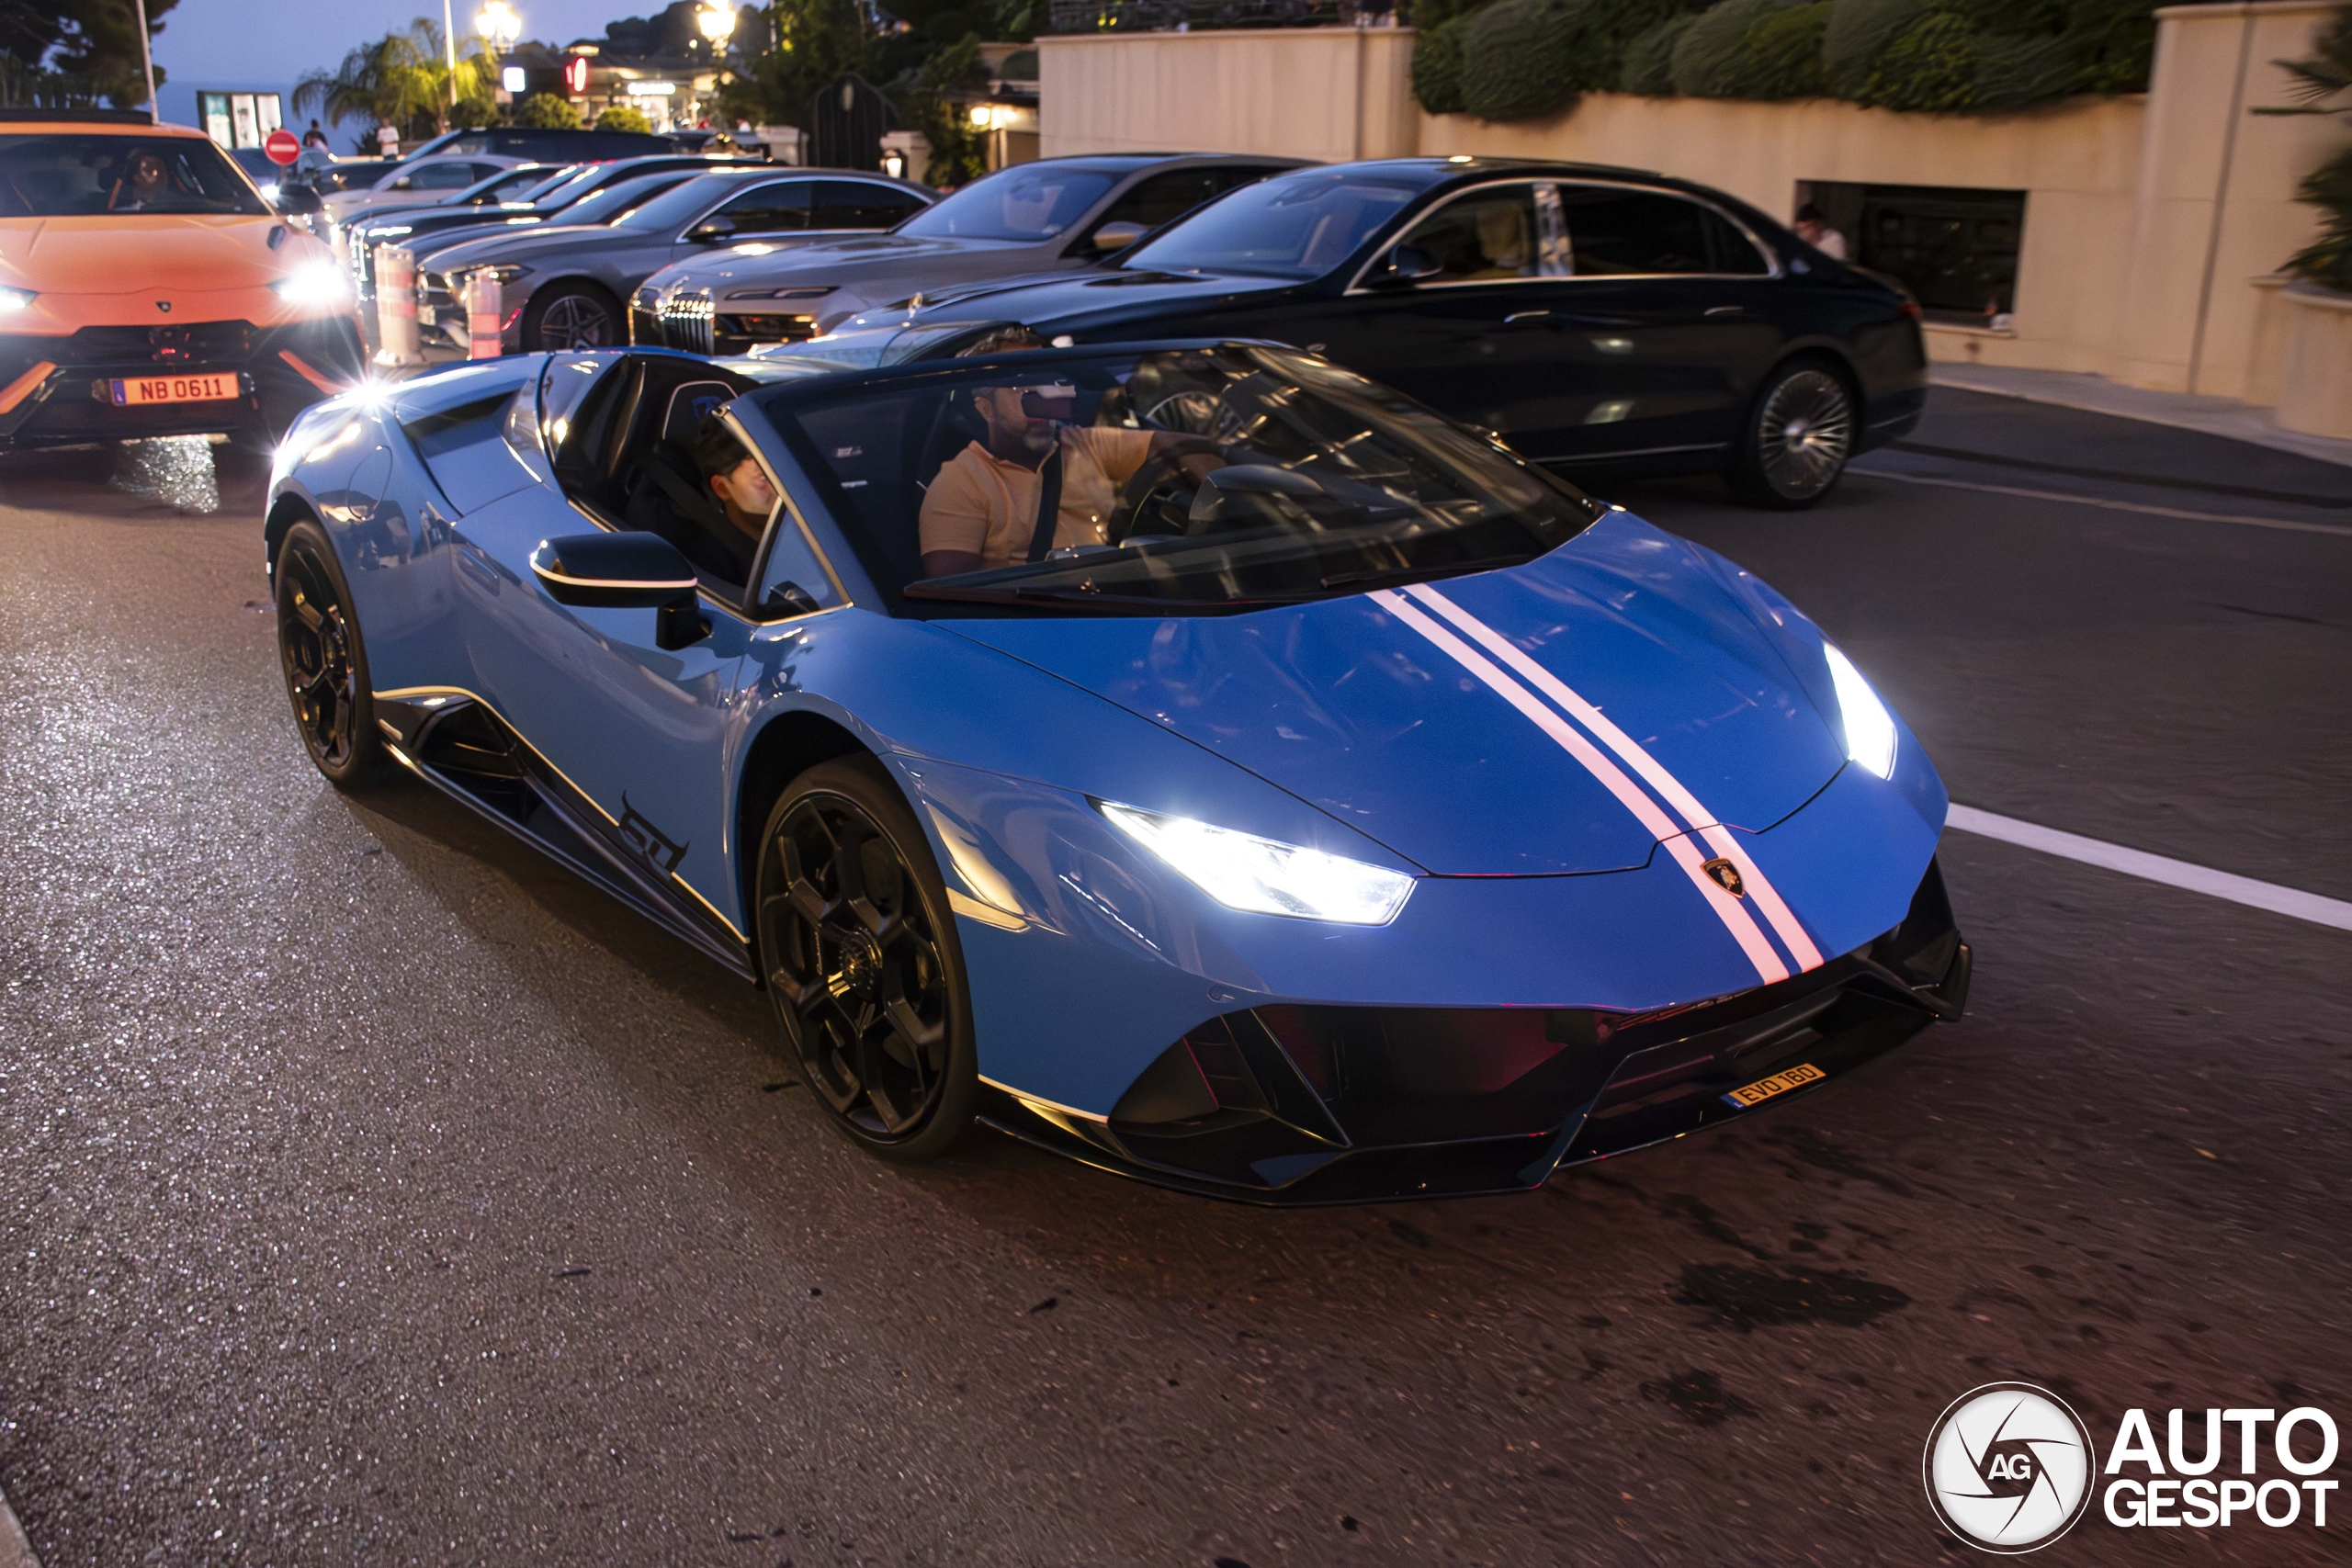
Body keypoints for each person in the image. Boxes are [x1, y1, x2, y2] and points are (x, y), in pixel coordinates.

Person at [917, 383, 1215, 579]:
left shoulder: (1084, 444)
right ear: (985, 408)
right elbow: (953, 595)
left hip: (1130, 595)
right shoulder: (960, 482)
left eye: (1048, 390)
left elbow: (1196, 452)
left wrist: (1236, 488)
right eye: (1023, 392)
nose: (1042, 407)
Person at [686, 413, 778, 582]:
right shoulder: (709, 566)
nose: (780, 489)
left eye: (780, 474)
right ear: (722, 489)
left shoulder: (816, 532)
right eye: (763, 481)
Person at [105, 148, 176, 210]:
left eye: (159, 168)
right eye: (148, 169)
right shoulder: (121, 217)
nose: (155, 173)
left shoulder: (179, 207)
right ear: (135, 176)